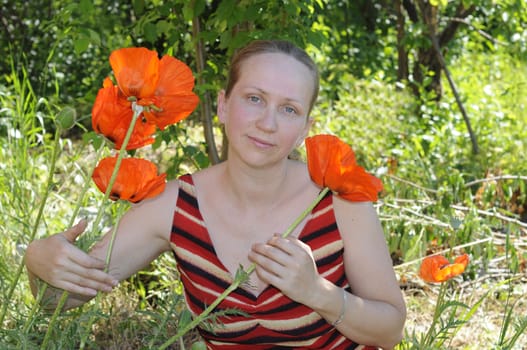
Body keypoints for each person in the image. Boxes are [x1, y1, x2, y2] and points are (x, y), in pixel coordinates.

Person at [25, 39, 406, 349]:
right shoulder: (174, 206)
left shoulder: (338, 201)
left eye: (288, 109)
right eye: (254, 98)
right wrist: (38, 264)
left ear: (306, 127)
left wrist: (317, 291)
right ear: (223, 105)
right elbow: (63, 299)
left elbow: (390, 331)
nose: (267, 123)